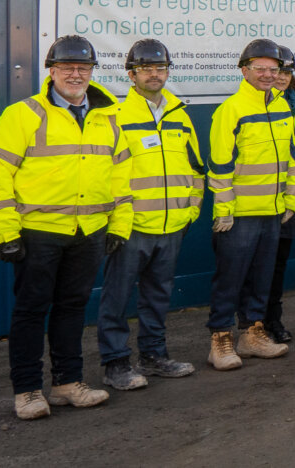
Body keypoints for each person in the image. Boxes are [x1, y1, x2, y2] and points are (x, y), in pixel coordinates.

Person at [0, 35, 128, 419]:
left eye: (83, 68)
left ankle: (66, 383)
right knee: (31, 310)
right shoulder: (23, 114)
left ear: (93, 72)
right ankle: (27, 390)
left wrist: (119, 225)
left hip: (89, 231)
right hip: (38, 232)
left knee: (73, 308)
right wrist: (6, 232)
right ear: (51, 71)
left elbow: (122, 175)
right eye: (67, 68)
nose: (75, 75)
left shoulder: (109, 116)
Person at [96, 39, 202, 392]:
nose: (155, 74)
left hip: (172, 225)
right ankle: (115, 363)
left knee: (158, 296)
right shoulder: (116, 115)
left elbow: (195, 168)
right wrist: (115, 220)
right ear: (132, 74)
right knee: (117, 297)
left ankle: (154, 356)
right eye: (146, 69)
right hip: (132, 226)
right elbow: (106, 171)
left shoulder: (179, 113)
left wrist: (192, 210)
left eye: (160, 68)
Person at [204, 38, 295, 371]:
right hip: (240, 215)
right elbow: (219, 165)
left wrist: (291, 200)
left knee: (261, 279)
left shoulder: (283, 107)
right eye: (259, 68)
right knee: (230, 280)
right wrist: (225, 211)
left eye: (273, 69)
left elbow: (292, 159)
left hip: (272, 212)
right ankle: (220, 340)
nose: (267, 74)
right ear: (245, 70)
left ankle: (253, 334)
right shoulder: (231, 109)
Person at [263, 45, 295, 345]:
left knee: (278, 263)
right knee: (258, 265)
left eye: (287, 71)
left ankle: (273, 320)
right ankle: (254, 324)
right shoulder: (258, 105)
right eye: (278, 71)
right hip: (261, 197)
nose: (282, 77)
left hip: (291, 198)